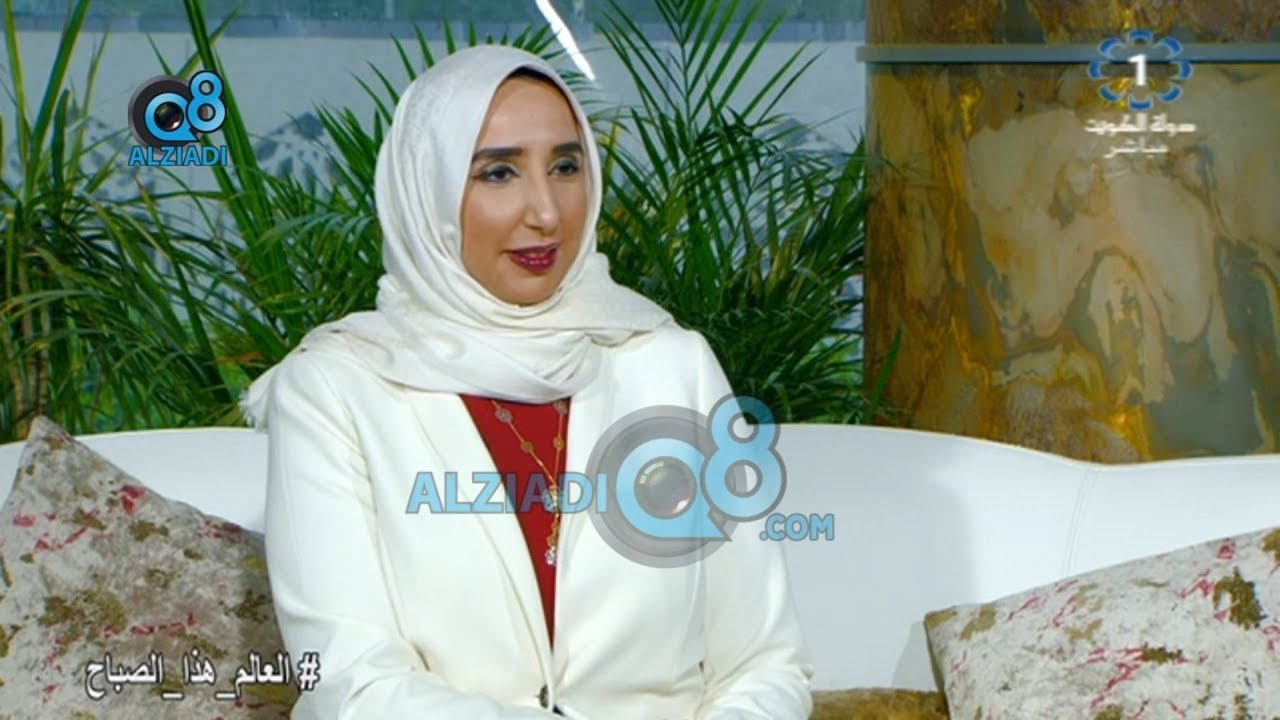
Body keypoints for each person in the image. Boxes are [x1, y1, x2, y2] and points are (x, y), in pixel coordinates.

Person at [240, 44, 813, 720]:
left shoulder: (672, 365)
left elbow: (765, 665)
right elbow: (351, 683)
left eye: (565, 166)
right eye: (499, 172)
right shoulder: (336, 387)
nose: (546, 212)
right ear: (427, 190)